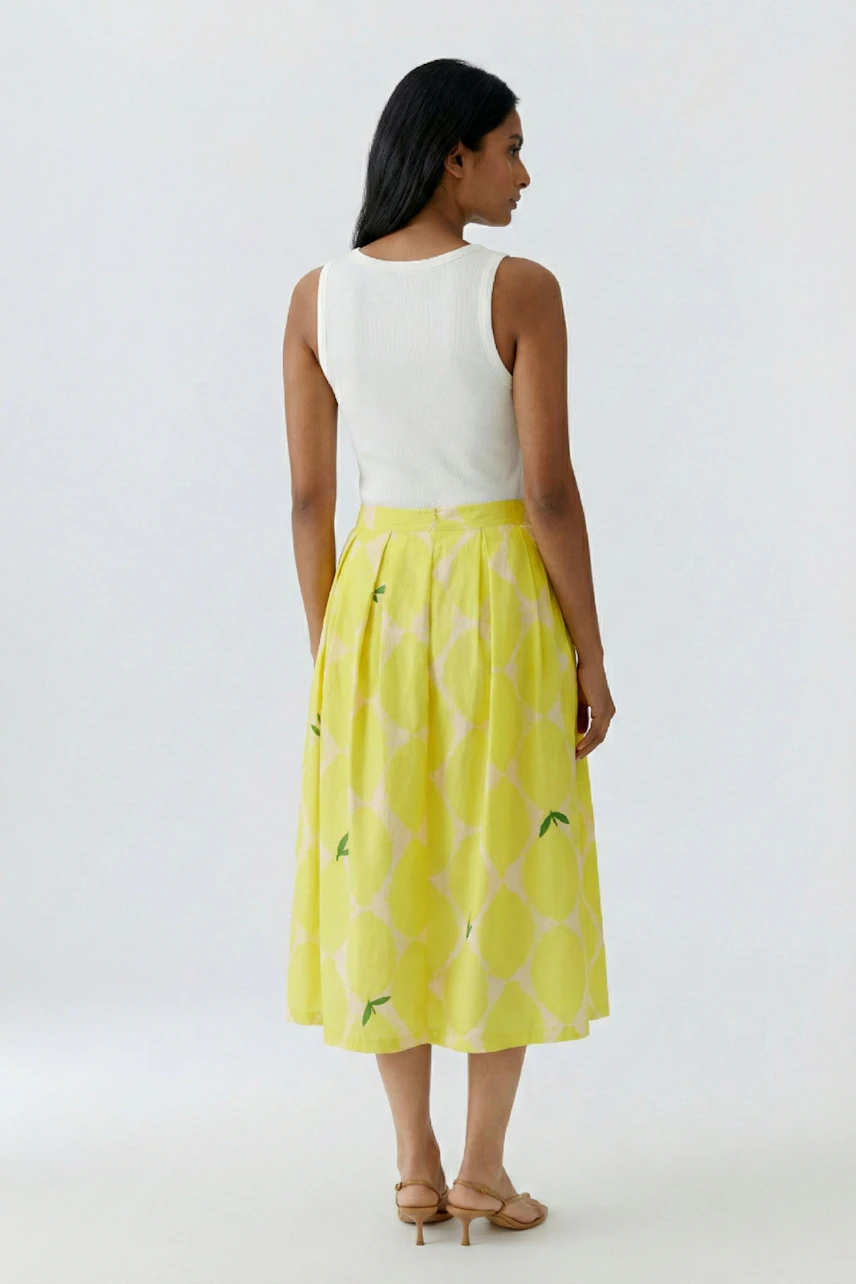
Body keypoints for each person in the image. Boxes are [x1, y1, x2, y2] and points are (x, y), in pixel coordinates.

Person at [281, 57, 616, 1247]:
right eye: (510, 148)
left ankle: (415, 1168)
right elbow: (549, 491)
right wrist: (589, 655)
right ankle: (482, 1168)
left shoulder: (317, 297)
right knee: (499, 861)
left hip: (373, 600)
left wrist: (331, 651)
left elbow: (310, 501)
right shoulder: (519, 290)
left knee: (389, 864)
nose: (525, 174)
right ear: (452, 156)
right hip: (494, 599)